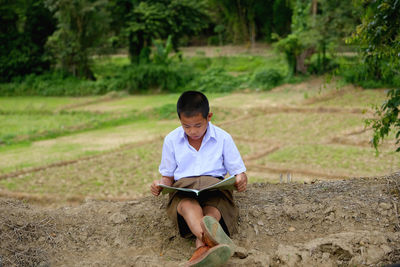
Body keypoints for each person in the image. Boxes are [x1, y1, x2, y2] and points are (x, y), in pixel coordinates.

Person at [150, 91, 248, 266]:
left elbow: (239, 172)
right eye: (186, 126)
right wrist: (160, 185)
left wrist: (240, 179)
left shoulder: (223, 138)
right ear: (179, 120)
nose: (192, 131)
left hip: (215, 189)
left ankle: (201, 248)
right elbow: (167, 178)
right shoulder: (171, 140)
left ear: (209, 117)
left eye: (197, 125)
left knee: (212, 213)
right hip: (183, 190)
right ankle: (209, 242)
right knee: (188, 206)